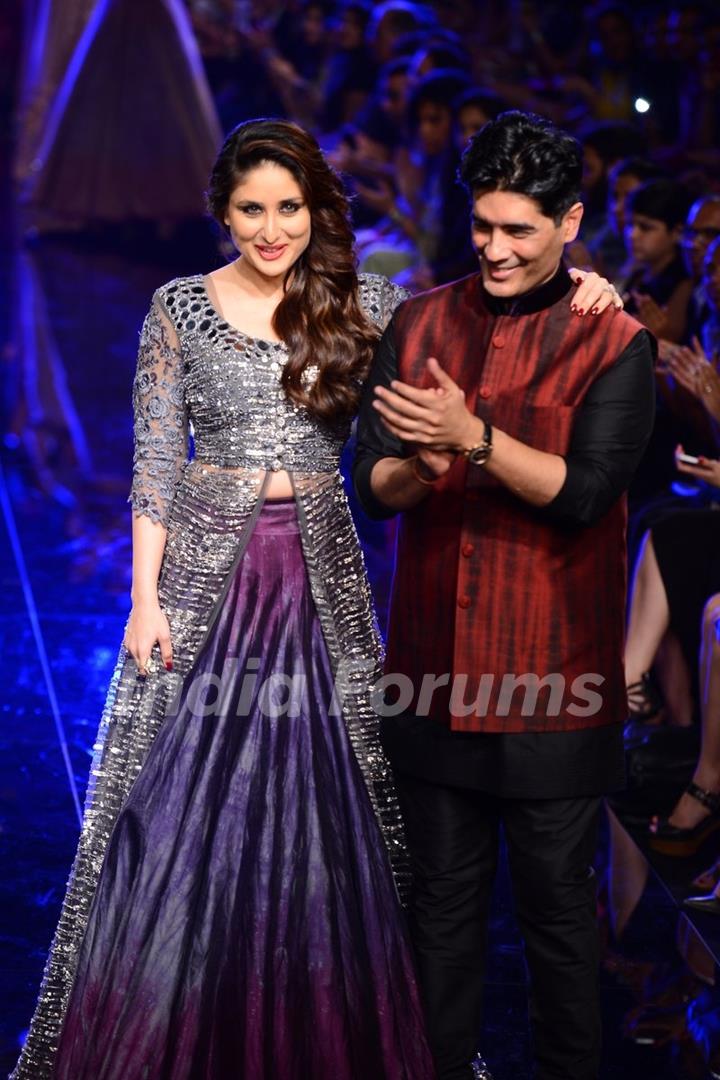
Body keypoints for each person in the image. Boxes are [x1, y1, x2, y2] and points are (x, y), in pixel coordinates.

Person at [12, 118, 435, 1080]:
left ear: (317, 206)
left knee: (332, 803)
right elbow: (156, 458)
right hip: (206, 567)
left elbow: (468, 331)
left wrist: (581, 282)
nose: (272, 228)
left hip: (322, 569)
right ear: (223, 210)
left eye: (290, 207)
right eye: (252, 208)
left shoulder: (366, 301)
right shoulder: (180, 308)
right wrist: (144, 598)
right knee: (169, 799)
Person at [353, 110, 655, 1080]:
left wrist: (473, 434)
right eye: (482, 226)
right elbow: (375, 488)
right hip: (434, 674)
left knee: (560, 930)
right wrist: (425, 459)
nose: (495, 247)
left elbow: (589, 493)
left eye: (519, 230)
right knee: (437, 919)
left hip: (551, 683)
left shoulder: (614, 342)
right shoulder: (421, 318)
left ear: (570, 223)